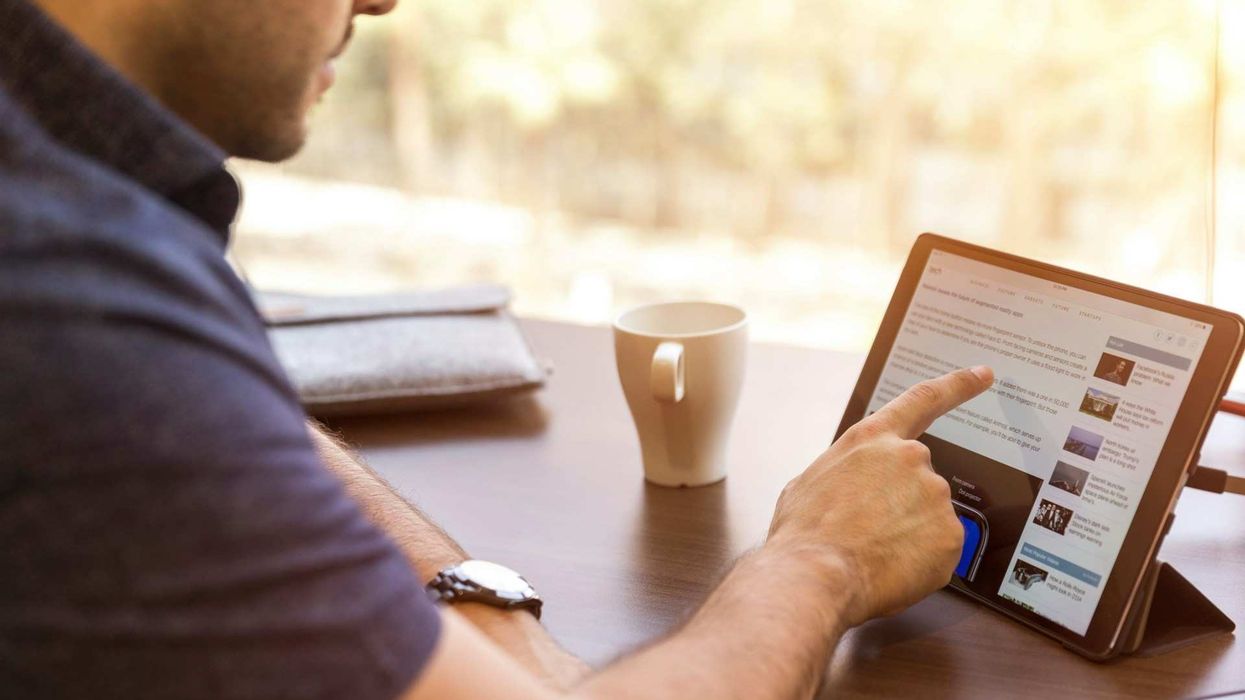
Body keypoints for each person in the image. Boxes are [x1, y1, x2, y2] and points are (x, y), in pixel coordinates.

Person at [0, 0, 995, 697]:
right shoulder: (61, 295)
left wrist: (484, 616)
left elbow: (213, 415)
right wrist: (819, 558)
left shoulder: (72, 216)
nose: (384, 2)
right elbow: (143, 395)